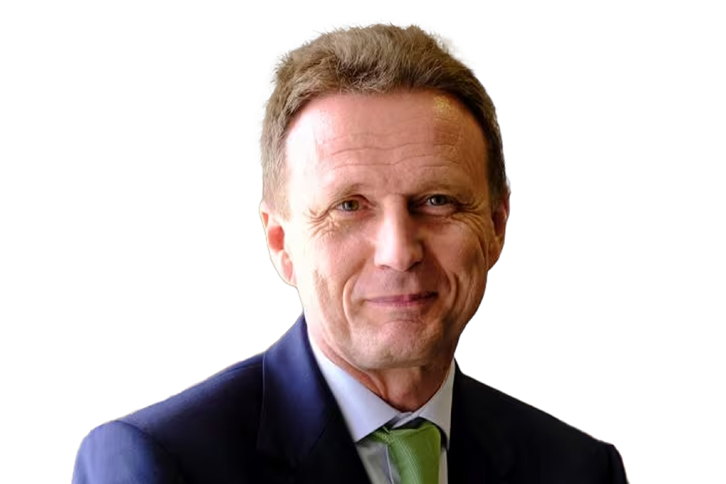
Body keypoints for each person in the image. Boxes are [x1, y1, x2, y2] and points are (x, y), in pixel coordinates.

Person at [73, 24, 628, 483]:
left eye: (437, 201)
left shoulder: (579, 469)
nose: (399, 252)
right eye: (349, 206)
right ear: (281, 243)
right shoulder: (157, 464)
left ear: (496, 226)